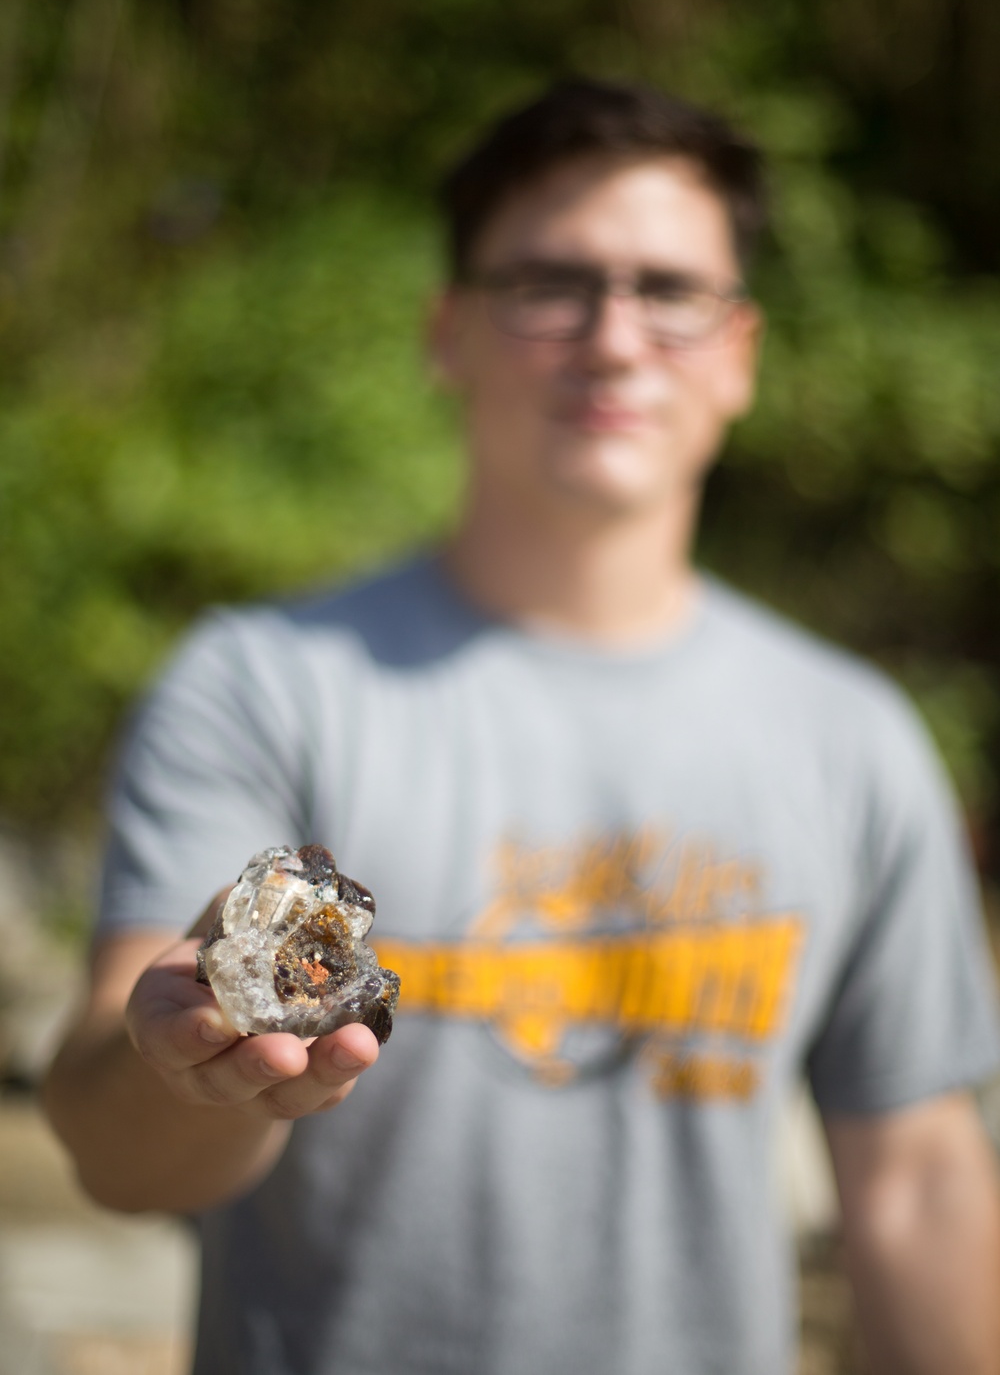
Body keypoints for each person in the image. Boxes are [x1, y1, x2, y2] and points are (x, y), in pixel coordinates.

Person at [45, 79, 1000, 1375]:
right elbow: (114, 1143)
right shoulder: (262, 686)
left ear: (740, 352)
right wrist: (196, 1066)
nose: (615, 338)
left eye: (670, 293)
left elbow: (920, 1181)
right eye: (550, 285)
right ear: (450, 332)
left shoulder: (856, 738)